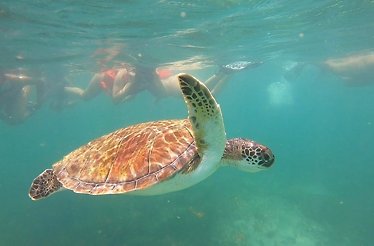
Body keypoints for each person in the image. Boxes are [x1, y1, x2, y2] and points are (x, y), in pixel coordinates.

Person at [64, 60, 262, 104]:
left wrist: (132, 86)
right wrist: (131, 86)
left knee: (209, 97)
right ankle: (223, 72)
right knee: (207, 92)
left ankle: (226, 73)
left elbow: (117, 100)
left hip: (175, 83)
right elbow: (117, 99)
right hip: (175, 82)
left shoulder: (134, 75)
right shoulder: (124, 75)